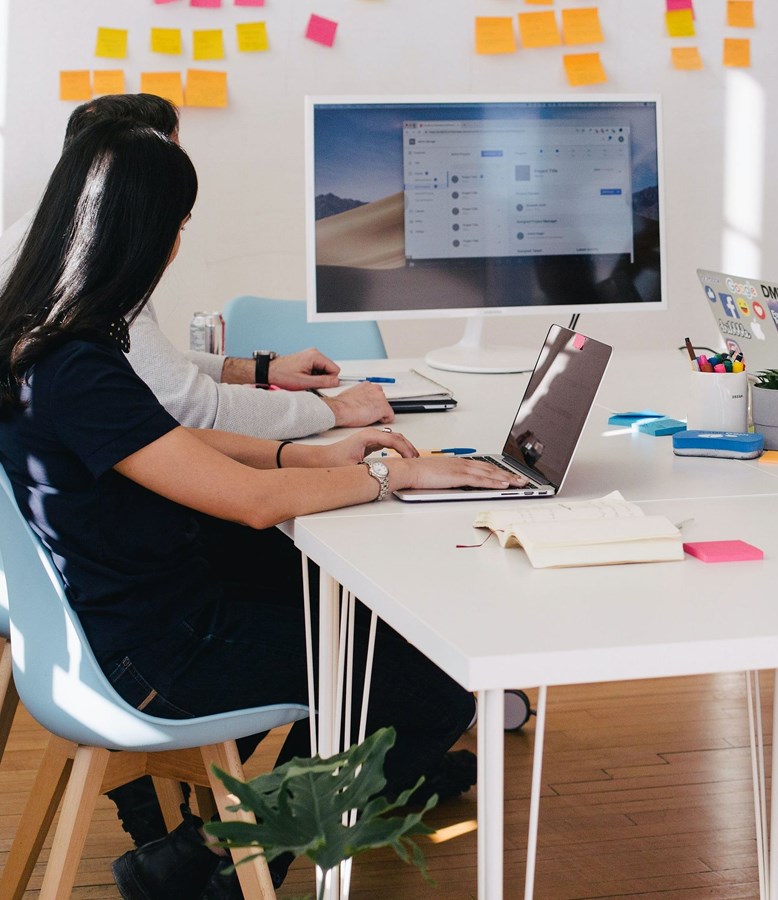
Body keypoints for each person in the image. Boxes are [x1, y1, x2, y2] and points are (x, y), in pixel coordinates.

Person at [0, 120, 526, 899]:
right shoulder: (78, 366)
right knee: (429, 687)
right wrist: (393, 476)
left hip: (131, 615)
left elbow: (173, 442)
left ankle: (205, 856)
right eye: (177, 227)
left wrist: (307, 455)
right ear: (142, 235)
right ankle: (214, 864)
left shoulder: (46, 339)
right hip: (157, 653)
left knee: (358, 625)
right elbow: (248, 505)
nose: (177, 247)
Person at [0, 93, 391, 439]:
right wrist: (336, 410)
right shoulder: (87, 271)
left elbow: (139, 368)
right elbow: (194, 409)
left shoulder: (43, 241)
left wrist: (262, 370)